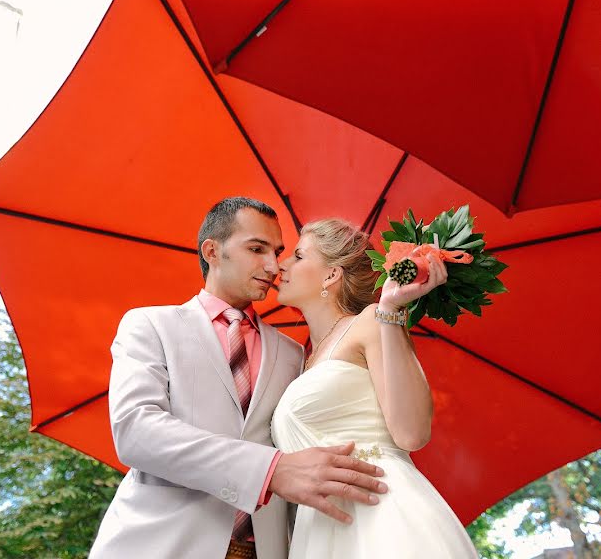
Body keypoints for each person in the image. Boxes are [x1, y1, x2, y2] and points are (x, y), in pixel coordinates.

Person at [90, 198, 387, 559]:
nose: (273, 265)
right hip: (159, 545)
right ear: (212, 251)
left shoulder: (294, 354)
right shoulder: (150, 325)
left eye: (277, 252)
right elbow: (136, 430)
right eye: (256, 248)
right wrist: (269, 470)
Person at [273, 218, 478, 558]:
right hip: (319, 530)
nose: (282, 265)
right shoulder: (300, 360)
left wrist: (390, 308)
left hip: (381, 514)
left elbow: (412, 434)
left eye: (298, 256)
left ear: (331, 275)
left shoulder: (372, 321)